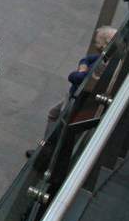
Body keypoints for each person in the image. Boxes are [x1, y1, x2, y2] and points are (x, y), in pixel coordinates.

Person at [26, 26, 117, 157]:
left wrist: (81, 70)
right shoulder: (106, 60)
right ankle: (46, 149)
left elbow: (74, 77)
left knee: (58, 120)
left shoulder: (101, 66)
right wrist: (84, 68)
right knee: (54, 114)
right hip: (79, 98)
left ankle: (47, 152)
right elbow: (86, 60)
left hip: (77, 100)